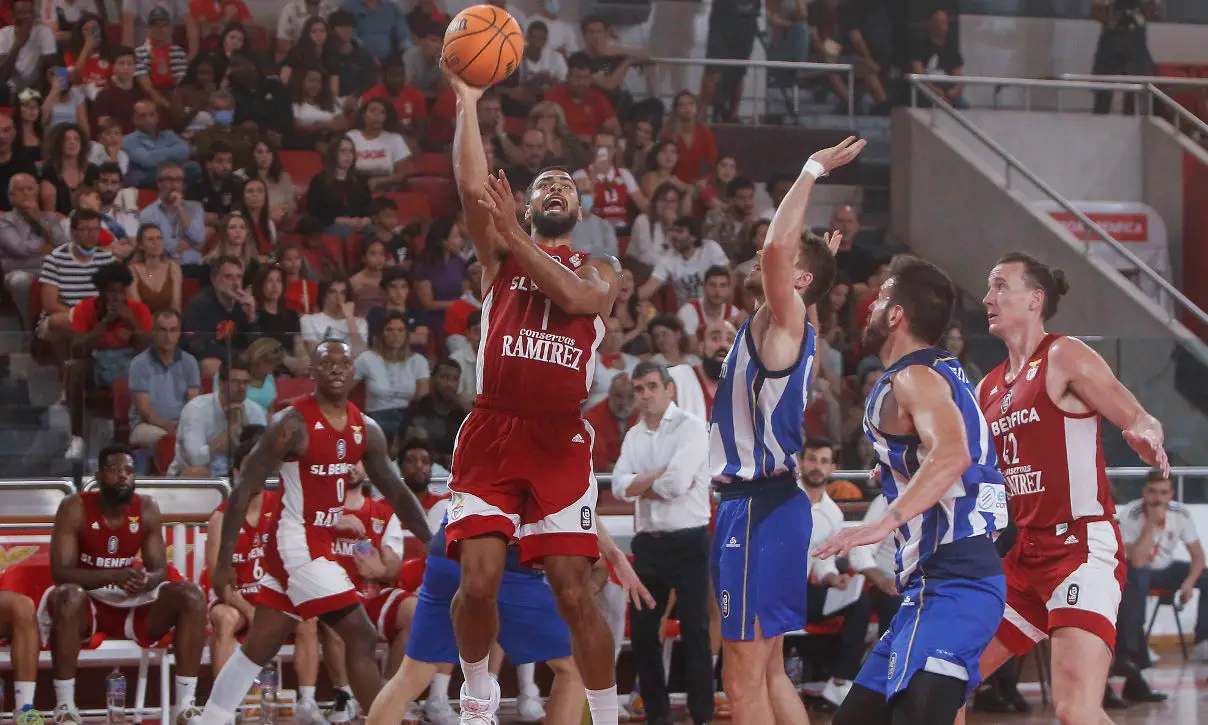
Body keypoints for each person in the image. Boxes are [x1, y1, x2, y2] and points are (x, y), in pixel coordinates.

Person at [444, 57, 627, 724]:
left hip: (557, 437)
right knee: (479, 580)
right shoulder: (497, 256)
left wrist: (515, 229)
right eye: (542, 183)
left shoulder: (600, 267)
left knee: (576, 595)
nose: (554, 189)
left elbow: (575, 295)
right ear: (525, 200)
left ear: (578, 208)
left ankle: (606, 716)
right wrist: (467, 101)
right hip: (494, 429)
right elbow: (470, 185)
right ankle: (475, 692)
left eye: (564, 185)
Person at [963, 252, 1170, 725]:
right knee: (947, 679)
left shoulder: (1063, 354)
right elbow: (967, 464)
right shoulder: (989, 388)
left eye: (999, 286)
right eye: (988, 288)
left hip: (1080, 548)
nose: (987, 298)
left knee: (1075, 710)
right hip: (1026, 555)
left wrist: (1145, 434)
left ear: (1035, 300)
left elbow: (1137, 414)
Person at [197, 340, 434, 725]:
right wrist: (224, 562)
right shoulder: (291, 424)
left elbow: (394, 489)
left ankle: (211, 719)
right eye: (327, 364)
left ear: (355, 374)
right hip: (296, 543)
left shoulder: (365, 428)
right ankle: (383, 720)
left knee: (260, 643)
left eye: (344, 363)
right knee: (358, 633)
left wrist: (428, 538)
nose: (337, 370)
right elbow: (243, 491)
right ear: (313, 372)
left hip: (317, 543)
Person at [708, 136, 862, 725]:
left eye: (787, 265)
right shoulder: (797, 327)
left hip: (758, 508)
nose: (763, 256)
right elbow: (789, 264)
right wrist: (819, 261)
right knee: (768, 672)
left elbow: (776, 248)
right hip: (773, 507)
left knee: (742, 678)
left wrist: (810, 170)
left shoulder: (785, 320)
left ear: (796, 283)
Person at [816, 255, 1007, 725]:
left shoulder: (914, 376)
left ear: (896, 314)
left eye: (880, 298)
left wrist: (883, 522)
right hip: (929, 589)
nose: (871, 306)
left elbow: (952, 453)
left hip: (959, 580)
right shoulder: (941, 371)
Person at [47, 444, 208, 725]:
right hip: (87, 607)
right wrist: (114, 575)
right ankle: (65, 707)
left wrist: (146, 579)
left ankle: (185, 705)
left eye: (129, 470)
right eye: (114, 470)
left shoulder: (146, 508)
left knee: (191, 595)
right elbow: (60, 572)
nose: (123, 476)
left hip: (133, 605)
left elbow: (158, 569)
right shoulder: (75, 507)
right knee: (68, 596)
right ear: (98, 476)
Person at [612, 360, 713, 725]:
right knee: (641, 633)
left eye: (652, 386)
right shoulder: (634, 435)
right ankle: (658, 713)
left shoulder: (692, 428)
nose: (645, 395)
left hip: (689, 542)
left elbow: (675, 485)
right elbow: (618, 487)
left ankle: (702, 715)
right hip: (649, 544)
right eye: (639, 389)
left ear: (669, 388)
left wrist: (641, 484)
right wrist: (653, 479)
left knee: (696, 631)